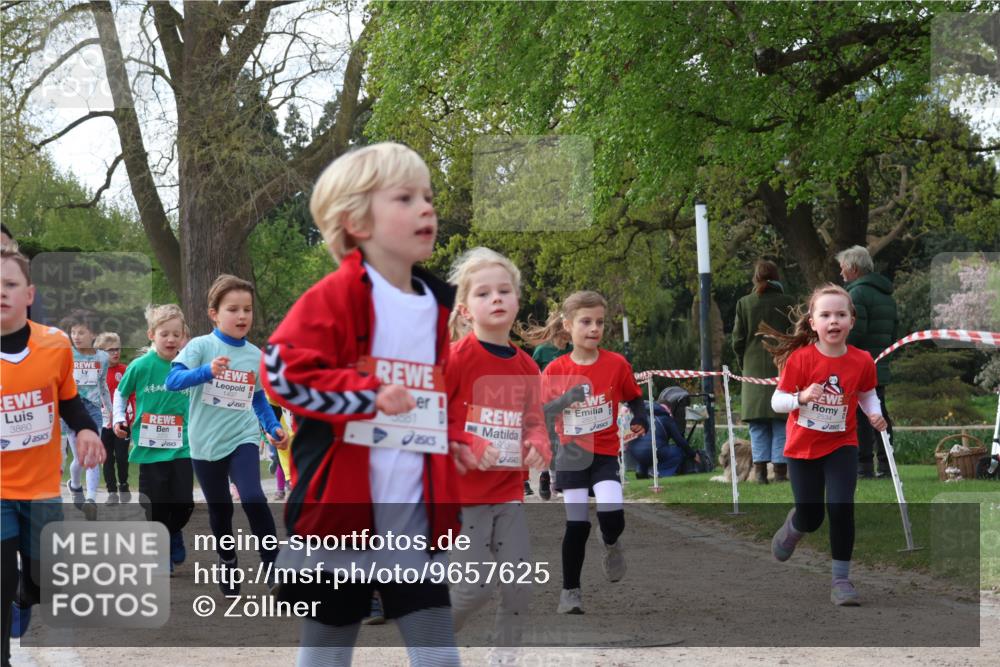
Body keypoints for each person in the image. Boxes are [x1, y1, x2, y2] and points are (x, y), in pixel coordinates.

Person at [261, 142, 463, 667]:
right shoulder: (335, 295)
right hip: (341, 519)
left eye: (428, 196)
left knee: (439, 656)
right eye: (405, 197)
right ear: (357, 222)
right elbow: (281, 371)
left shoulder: (439, 306)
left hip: (414, 518)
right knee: (326, 653)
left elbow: (431, 398)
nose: (427, 208)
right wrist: (365, 394)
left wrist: (454, 440)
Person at [1, 246, 105, 665]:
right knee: (1, 575)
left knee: (42, 578)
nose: (1, 292)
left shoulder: (55, 345)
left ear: (30, 293)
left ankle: (29, 592)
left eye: (10, 284)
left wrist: (86, 430)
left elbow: (71, 402)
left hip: (42, 486)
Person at [445, 247, 550, 654]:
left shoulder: (526, 366)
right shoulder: (455, 359)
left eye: (504, 291)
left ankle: (505, 656)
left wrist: (539, 445)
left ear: (517, 301)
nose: (496, 299)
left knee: (519, 583)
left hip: (509, 495)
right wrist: (469, 441)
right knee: (473, 590)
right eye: (484, 293)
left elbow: (535, 421)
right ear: (466, 309)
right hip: (463, 498)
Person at [763, 284, 888, 606]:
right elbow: (777, 402)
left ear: (851, 320)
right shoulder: (801, 360)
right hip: (803, 448)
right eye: (826, 315)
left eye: (840, 314)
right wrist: (800, 397)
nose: (834, 321)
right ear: (813, 322)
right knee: (812, 516)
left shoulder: (862, 360)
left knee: (841, 508)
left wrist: (874, 414)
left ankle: (841, 580)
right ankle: (794, 527)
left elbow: (866, 393)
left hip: (841, 445)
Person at [525, 291, 648, 615]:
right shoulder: (555, 369)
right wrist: (567, 400)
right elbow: (542, 411)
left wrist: (639, 417)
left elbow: (634, 397)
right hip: (571, 454)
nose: (594, 328)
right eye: (586, 322)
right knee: (576, 524)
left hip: (605, 451)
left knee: (611, 511)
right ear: (568, 326)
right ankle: (570, 592)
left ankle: (610, 542)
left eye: (600, 322)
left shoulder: (616, 364)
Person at [165, 274, 287, 596]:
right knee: (221, 510)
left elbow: (258, 397)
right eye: (233, 309)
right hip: (205, 444)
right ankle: (227, 558)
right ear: (214, 314)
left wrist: (272, 426)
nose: (243, 316)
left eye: (247, 309)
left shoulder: (255, 356)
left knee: (253, 496)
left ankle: (273, 565)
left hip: (242, 437)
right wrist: (207, 371)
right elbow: (173, 381)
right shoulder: (201, 346)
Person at [113, 304, 194, 574]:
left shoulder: (188, 365)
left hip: (182, 446)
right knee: (154, 504)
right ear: (152, 335)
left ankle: (171, 533)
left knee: (184, 503)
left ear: (183, 336)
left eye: (176, 334)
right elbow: (121, 393)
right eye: (164, 334)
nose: (170, 339)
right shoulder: (140, 365)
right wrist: (117, 419)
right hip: (149, 447)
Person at [732, 259, 796, 484]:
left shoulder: (744, 303)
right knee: (780, 422)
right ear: (777, 277)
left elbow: (738, 340)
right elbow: (797, 336)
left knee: (758, 425)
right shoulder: (789, 302)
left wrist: (744, 365)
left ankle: (759, 473)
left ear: (755, 277)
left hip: (752, 371)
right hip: (782, 368)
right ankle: (780, 473)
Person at [836, 245, 897, 479]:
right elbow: (893, 334)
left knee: (860, 416)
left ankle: (864, 466)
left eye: (843, 269)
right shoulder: (886, 295)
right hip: (879, 363)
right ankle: (886, 462)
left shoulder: (856, 295)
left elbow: (855, 333)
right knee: (880, 412)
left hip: (857, 365)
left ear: (853, 269)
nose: (841, 274)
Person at [60, 309, 113, 518]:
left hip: (93, 409)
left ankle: (91, 500)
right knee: (79, 459)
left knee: (92, 456)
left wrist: (110, 411)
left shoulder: (102, 358)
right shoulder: (67, 354)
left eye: (81, 332)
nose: (76, 337)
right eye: (73, 332)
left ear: (93, 335)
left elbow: (103, 386)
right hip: (72, 409)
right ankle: (74, 484)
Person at [530, 314, 573, 500]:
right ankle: (545, 475)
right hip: (546, 403)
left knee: (566, 442)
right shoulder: (542, 351)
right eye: (567, 327)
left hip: (569, 404)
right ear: (559, 329)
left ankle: (558, 481)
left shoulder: (573, 350)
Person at [95, 331, 132, 503]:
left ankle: (124, 484)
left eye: (117, 349)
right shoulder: (96, 372)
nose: (116, 353)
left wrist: (132, 416)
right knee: (107, 458)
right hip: (103, 423)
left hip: (122, 421)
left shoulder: (125, 370)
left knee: (122, 457)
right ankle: (111, 492)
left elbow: (133, 395)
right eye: (111, 350)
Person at [627, 392, 701, 479]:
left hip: (634, 451)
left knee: (647, 450)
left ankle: (641, 471)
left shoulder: (641, 415)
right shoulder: (666, 418)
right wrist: (693, 454)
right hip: (652, 450)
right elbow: (679, 440)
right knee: (678, 451)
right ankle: (657, 472)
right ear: (669, 408)